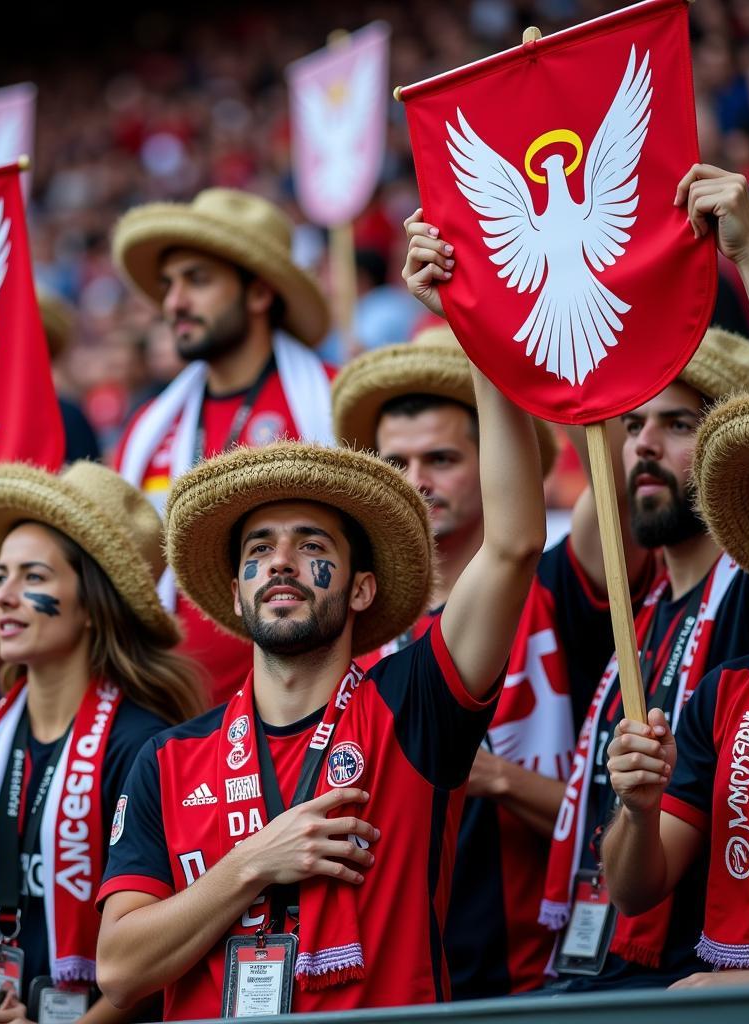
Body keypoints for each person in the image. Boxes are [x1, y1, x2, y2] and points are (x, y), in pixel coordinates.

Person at [95, 218, 546, 1015]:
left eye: (312, 545)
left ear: (363, 590)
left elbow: (512, 543)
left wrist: (470, 326)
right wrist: (254, 863)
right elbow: (121, 967)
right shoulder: (165, 761)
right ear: (234, 596)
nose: (280, 562)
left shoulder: (414, 706)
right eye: (258, 548)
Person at [331, 322, 652, 997]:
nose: (416, 482)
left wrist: (538, 325)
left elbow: (615, 479)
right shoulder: (346, 623)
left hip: (548, 975)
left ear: (496, 461)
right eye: (395, 464)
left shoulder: (561, 581)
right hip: (403, 981)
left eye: (442, 459)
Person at [0, 461, 206, 1024]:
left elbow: (157, 963)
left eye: (33, 578)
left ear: (94, 604)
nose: (1, 597)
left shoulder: (142, 745)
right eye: (0, 576)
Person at [111, 187, 335, 703]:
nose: (173, 303)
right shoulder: (146, 428)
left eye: (198, 280)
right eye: (168, 285)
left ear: (259, 293)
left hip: (305, 721)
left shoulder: (333, 402)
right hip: (168, 721)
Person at [603, 391, 749, 989]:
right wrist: (639, 808)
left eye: (676, 424)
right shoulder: (725, 691)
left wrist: (745, 990)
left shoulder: (737, 601)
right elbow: (633, 890)